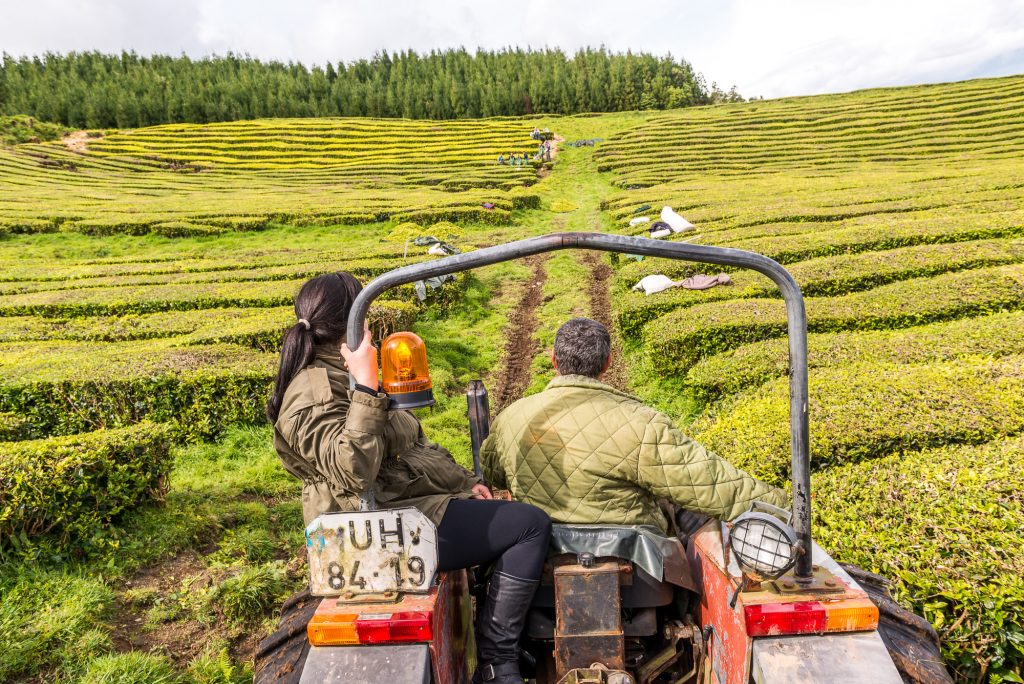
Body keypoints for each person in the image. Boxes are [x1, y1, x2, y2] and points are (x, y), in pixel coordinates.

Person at [263, 273, 551, 684]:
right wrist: (365, 386)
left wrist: (463, 483)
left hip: (402, 508)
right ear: (349, 322)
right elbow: (353, 471)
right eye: (363, 315)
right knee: (529, 525)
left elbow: (409, 449)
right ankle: (497, 658)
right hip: (379, 527)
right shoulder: (315, 389)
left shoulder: (340, 372)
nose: (369, 327)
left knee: (503, 515)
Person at [481, 317, 787, 533]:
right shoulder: (641, 422)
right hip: (633, 555)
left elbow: (495, 473)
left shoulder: (511, 416)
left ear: (553, 361)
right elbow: (706, 481)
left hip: (537, 548)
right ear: (607, 364)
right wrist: (782, 506)